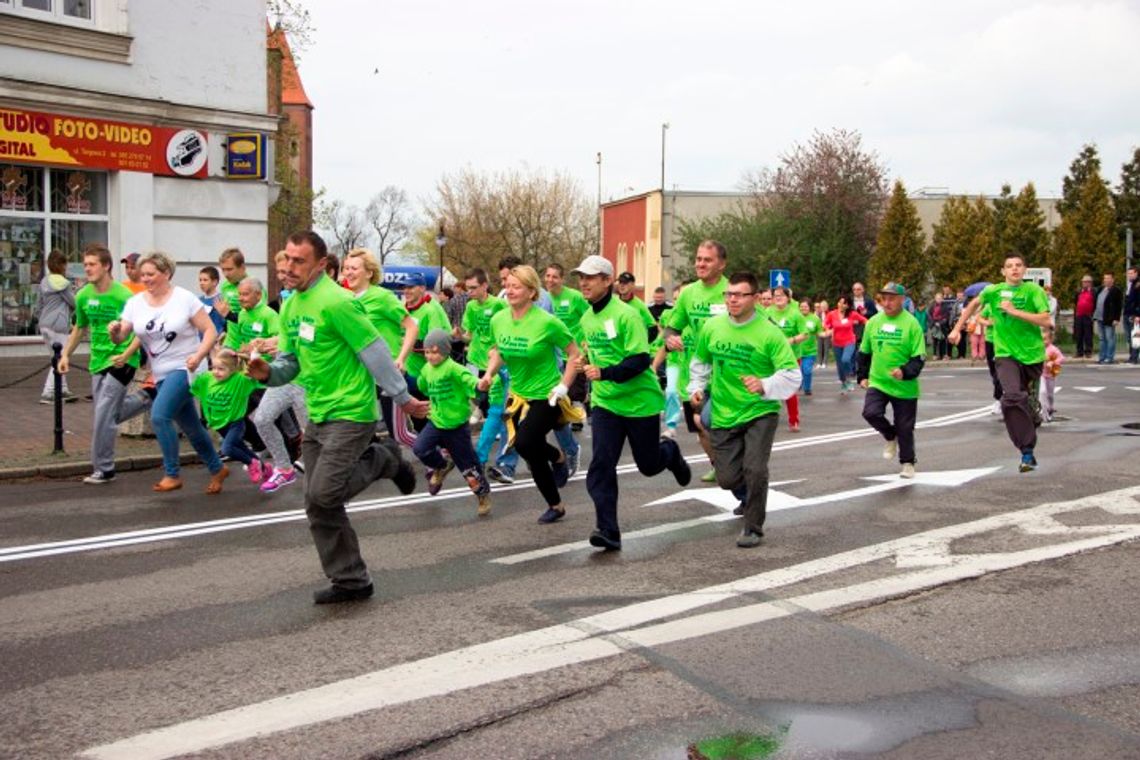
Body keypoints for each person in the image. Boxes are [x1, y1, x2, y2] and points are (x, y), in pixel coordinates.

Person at [247, 230, 427, 605]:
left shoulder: (338, 302)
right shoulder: (292, 305)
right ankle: (350, 580)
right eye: (286, 259)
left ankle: (384, 459)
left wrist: (403, 397)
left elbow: (374, 351)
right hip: (319, 412)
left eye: (298, 261)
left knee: (323, 492)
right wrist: (267, 373)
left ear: (320, 264)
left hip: (352, 411)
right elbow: (291, 363)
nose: (289, 268)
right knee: (318, 504)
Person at [571, 255, 690, 551]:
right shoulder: (586, 318)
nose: (584, 282)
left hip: (639, 402)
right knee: (601, 464)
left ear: (608, 281)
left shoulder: (627, 315)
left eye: (591, 277)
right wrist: (586, 362)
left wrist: (605, 372)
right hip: (606, 404)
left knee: (648, 465)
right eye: (581, 277)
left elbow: (639, 360)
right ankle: (608, 529)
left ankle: (670, 452)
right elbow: (593, 352)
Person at [688, 272, 801, 548]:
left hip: (759, 411)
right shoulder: (713, 327)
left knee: (755, 469)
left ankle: (753, 528)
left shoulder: (769, 332)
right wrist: (696, 387)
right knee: (727, 479)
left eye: (740, 295)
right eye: (729, 294)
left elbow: (792, 375)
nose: (733, 299)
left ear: (754, 298)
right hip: (725, 412)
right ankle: (748, 496)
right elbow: (700, 361)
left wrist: (764, 384)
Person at [110, 251, 228, 493]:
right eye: (143, 275)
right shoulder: (135, 303)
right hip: (161, 372)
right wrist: (114, 332)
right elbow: (121, 336)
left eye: (151, 274)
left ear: (166, 274)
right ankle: (217, 468)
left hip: (187, 367)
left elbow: (210, 331)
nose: (146, 279)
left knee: (159, 416)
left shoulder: (184, 299)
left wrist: (198, 355)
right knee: (192, 427)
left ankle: (172, 473)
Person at [478, 264, 581, 524]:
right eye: (507, 286)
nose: (509, 291)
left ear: (531, 291)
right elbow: (499, 351)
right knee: (531, 450)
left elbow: (574, 354)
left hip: (548, 395)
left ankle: (559, 459)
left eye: (516, 286)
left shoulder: (547, 322)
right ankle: (556, 501)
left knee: (525, 442)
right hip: (518, 395)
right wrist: (489, 374)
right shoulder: (498, 319)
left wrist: (564, 386)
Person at [950, 253, 1051, 472]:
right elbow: (973, 304)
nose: (1014, 269)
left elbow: (1045, 320)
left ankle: (1032, 410)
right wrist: (957, 328)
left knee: (1024, 400)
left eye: (1018, 265)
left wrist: (1014, 312)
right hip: (1005, 354)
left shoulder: (1033, 291)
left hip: (1032, 355)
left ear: (1025, 270)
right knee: (1011, 397)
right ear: (1002, 271)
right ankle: (1027, 452)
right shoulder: (994, 291)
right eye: (1009, 266)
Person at [58, 244, 142, 484]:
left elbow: (139, 330)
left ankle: (104, 468)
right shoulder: (83, 295)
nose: (87, 269)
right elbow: (79, 329)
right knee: (107, 412)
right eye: (85, 265)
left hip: (121, 359)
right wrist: (65, 355)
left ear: (106, 266)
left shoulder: (123, 295)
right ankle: (148, 397)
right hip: (98, 360)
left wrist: (127, 354)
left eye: (92, 264)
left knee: (103, 415)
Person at [663, 240, 729, 484]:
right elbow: (670, 328)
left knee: (718, 427)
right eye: (698, 259)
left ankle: (732, 472)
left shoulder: (732, 290)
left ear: (722, 264)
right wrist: (670, 339)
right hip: (695, 376)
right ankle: (718, 464)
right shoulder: (689, 293)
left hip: (726, 375)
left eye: (707, 260)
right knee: (700, 427)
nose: (700, 264)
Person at [411, 329, 492, 516]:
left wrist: (479, 384)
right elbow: (422, 385)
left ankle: (482, 495)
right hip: (436, 422)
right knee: (420, 448)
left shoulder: (454, 368)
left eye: (435, 351)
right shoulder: (426, 368)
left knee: (469, 468)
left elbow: (469, 379)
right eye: (427, 352)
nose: (430, 356)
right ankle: (441, 465)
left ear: (446, 351)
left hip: (456, 427)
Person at [341, 248, 417, 443]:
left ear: (369, 272)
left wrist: (400, 358)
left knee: (399, 435)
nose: (348, 272)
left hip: (387, 371)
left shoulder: (382, 297)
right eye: (346, 268)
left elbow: (411, 327)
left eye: (354, 268)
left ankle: (438, 457)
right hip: (362, 375)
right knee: (356, 424)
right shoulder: (346, 300)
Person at [856, 283, 925, 479]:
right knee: (870, 412)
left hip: (905, 386)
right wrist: (862, 376)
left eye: (892, 298)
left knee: (905, 427)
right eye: (884, 298)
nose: (887, 302)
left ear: (902, 300)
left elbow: (919, 358)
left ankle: (908, 463)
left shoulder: (911, 324)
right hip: (879, 381)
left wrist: (905, 372)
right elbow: (864, 351)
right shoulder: (873, 322)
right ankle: (889, 435)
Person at [461, 268, 512, 476]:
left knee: (498, 412)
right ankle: (485, 459)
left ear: (484, 285)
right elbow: (469, 334)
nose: (470, 292)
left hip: (498, 363)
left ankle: (493, 461)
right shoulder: (471, 307)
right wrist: (457, 337)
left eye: (474, 288)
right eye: (468, 289)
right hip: (478, 361)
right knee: (494, 410)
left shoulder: (499, 305)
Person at [190, 349, 264, 485]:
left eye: (221, 369)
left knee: (227, 449)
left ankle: (252, 464)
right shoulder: (207, 378)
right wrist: (191, 370)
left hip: (235, 423)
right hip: (219, 425)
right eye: (214, 368)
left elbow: (255, 374)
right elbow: (193, 384)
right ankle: (265, 468)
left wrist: (251, 357)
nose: (216, 372)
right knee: (241, 448)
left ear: (232, 370)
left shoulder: (239, 380)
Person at [34, 249, 76, 403]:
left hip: (44, 324)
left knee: (55, 356)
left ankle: (62, 389)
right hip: (58, 325)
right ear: (62, 265)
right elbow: (74, 302)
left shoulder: (44, 281)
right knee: (60, 358)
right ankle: (49, 392)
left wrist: (41, 319)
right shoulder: (64, 284)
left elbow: (38, 306)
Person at [767, 286, 807, 431]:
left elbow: (805, 334)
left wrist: (792, 340)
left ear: (788, 298)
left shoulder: (795, 314)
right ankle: (766, 419)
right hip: (771, 356)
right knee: (768, 387)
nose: (778, 298)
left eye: (781, 295)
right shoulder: (767, 313)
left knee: (789, 390)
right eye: (775, 295)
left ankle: (794, 421)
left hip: (791, 356)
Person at [823, 296, 867, 392]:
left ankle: (849, 378)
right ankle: (843, 382)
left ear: (848, 305)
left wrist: (869, 329)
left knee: (845, 359)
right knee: (839, 365)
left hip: (849, 341)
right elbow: (825, 323)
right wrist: (827, 329)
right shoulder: (832, 314)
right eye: (840, 302)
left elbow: (864, 320)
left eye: (844, 303)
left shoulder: (852, 314)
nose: (841, 305)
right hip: (836, 343)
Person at [214, 247, 250, 326]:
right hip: (230, 338)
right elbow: (227, 316)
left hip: (248, 337)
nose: (225, 274)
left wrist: (229, 315)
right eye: (223, 270)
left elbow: (256, 320)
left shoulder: (254, 286)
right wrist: (225, 330)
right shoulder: (225, 286)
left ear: (242, 267)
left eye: (229, 269)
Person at [615, 271, 656, 339]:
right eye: (620, 282)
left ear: (633, 285)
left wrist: (643, 344)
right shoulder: (613, 302)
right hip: (615, 345)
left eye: (625, 283)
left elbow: (653, 328)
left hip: (633, 346)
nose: (622, 285)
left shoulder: (640, 305)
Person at [1094, 272, 1123, 364]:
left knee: (1110, 338)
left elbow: (1119, 305)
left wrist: (1116, 318)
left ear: (1112, 279)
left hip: (1109, 318)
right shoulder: (1101, 289)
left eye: (1108, 278)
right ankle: (1102, 357)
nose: (1106, 280)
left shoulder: (1116, 290)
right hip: (1099, 317)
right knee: (1102, 339)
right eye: (1105, 278)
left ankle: (1109, 357)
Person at [1040, 326, 1064, 423]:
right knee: (1042, 392)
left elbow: (1061, 358)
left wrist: (1053, 362)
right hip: (1041, 374)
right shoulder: (1039, 348)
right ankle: (1043, 409)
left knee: (1050, 394)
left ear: (1050, 339)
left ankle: (1050, 407)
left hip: (1050, 375)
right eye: (1042, 339)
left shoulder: (1053, 349)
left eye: (1045, 339)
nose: (1044, 342)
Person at [197, 266, 228, 337]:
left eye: (205, 280)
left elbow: (226, 322)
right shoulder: (199, 300)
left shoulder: (221, 299)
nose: (201, 283)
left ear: (214, 282)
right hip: (201, 340)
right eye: (200, 280)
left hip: (216, 340)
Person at [798, 298, 821, 396]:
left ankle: (807, 388)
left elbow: (820, 331)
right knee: (799, 370)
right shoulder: (796, 318)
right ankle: (799, 384)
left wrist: (826, 333)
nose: (803, 308)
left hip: (810, 351)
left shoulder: (815, 318)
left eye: (805, 306)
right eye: (801, 307)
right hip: (797, 350)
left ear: (809, 307)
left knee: (806, 369)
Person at [1073, 275, 1095, 358]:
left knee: (1088, 334)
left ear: (1090, 283)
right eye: (1084, 282)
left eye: (1087, 282)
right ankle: (1079, 351)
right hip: (1079, 315)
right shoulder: (1079, 291)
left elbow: (1095, 302)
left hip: (1088, 315)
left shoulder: (1093, 291)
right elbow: (1076, 301)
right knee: (1079, 334)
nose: (1085, 283)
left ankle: (1088, 351)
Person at [1125, 267, 1140, 365]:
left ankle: (1134, 357)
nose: (1129, 275)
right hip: (1128, 314)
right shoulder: (1130, 284)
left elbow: (1138, 301)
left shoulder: (1138, 285)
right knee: (1130, 337)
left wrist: (1138, 315)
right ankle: (1132, 356)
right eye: (1128, 273)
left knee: (1136, 336)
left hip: (1135, 314)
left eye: (1131, 273)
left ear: (1136, 273)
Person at [815, 300, 830, 368]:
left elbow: (831, 323)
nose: (823, 307)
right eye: (822, 306)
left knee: (826, 347)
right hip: (820, 332)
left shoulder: (829, 313)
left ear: (827, 307)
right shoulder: (818, 314)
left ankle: (824, 362)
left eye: (824, 306)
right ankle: (819, 362)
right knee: (819, 348)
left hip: (827, 332)